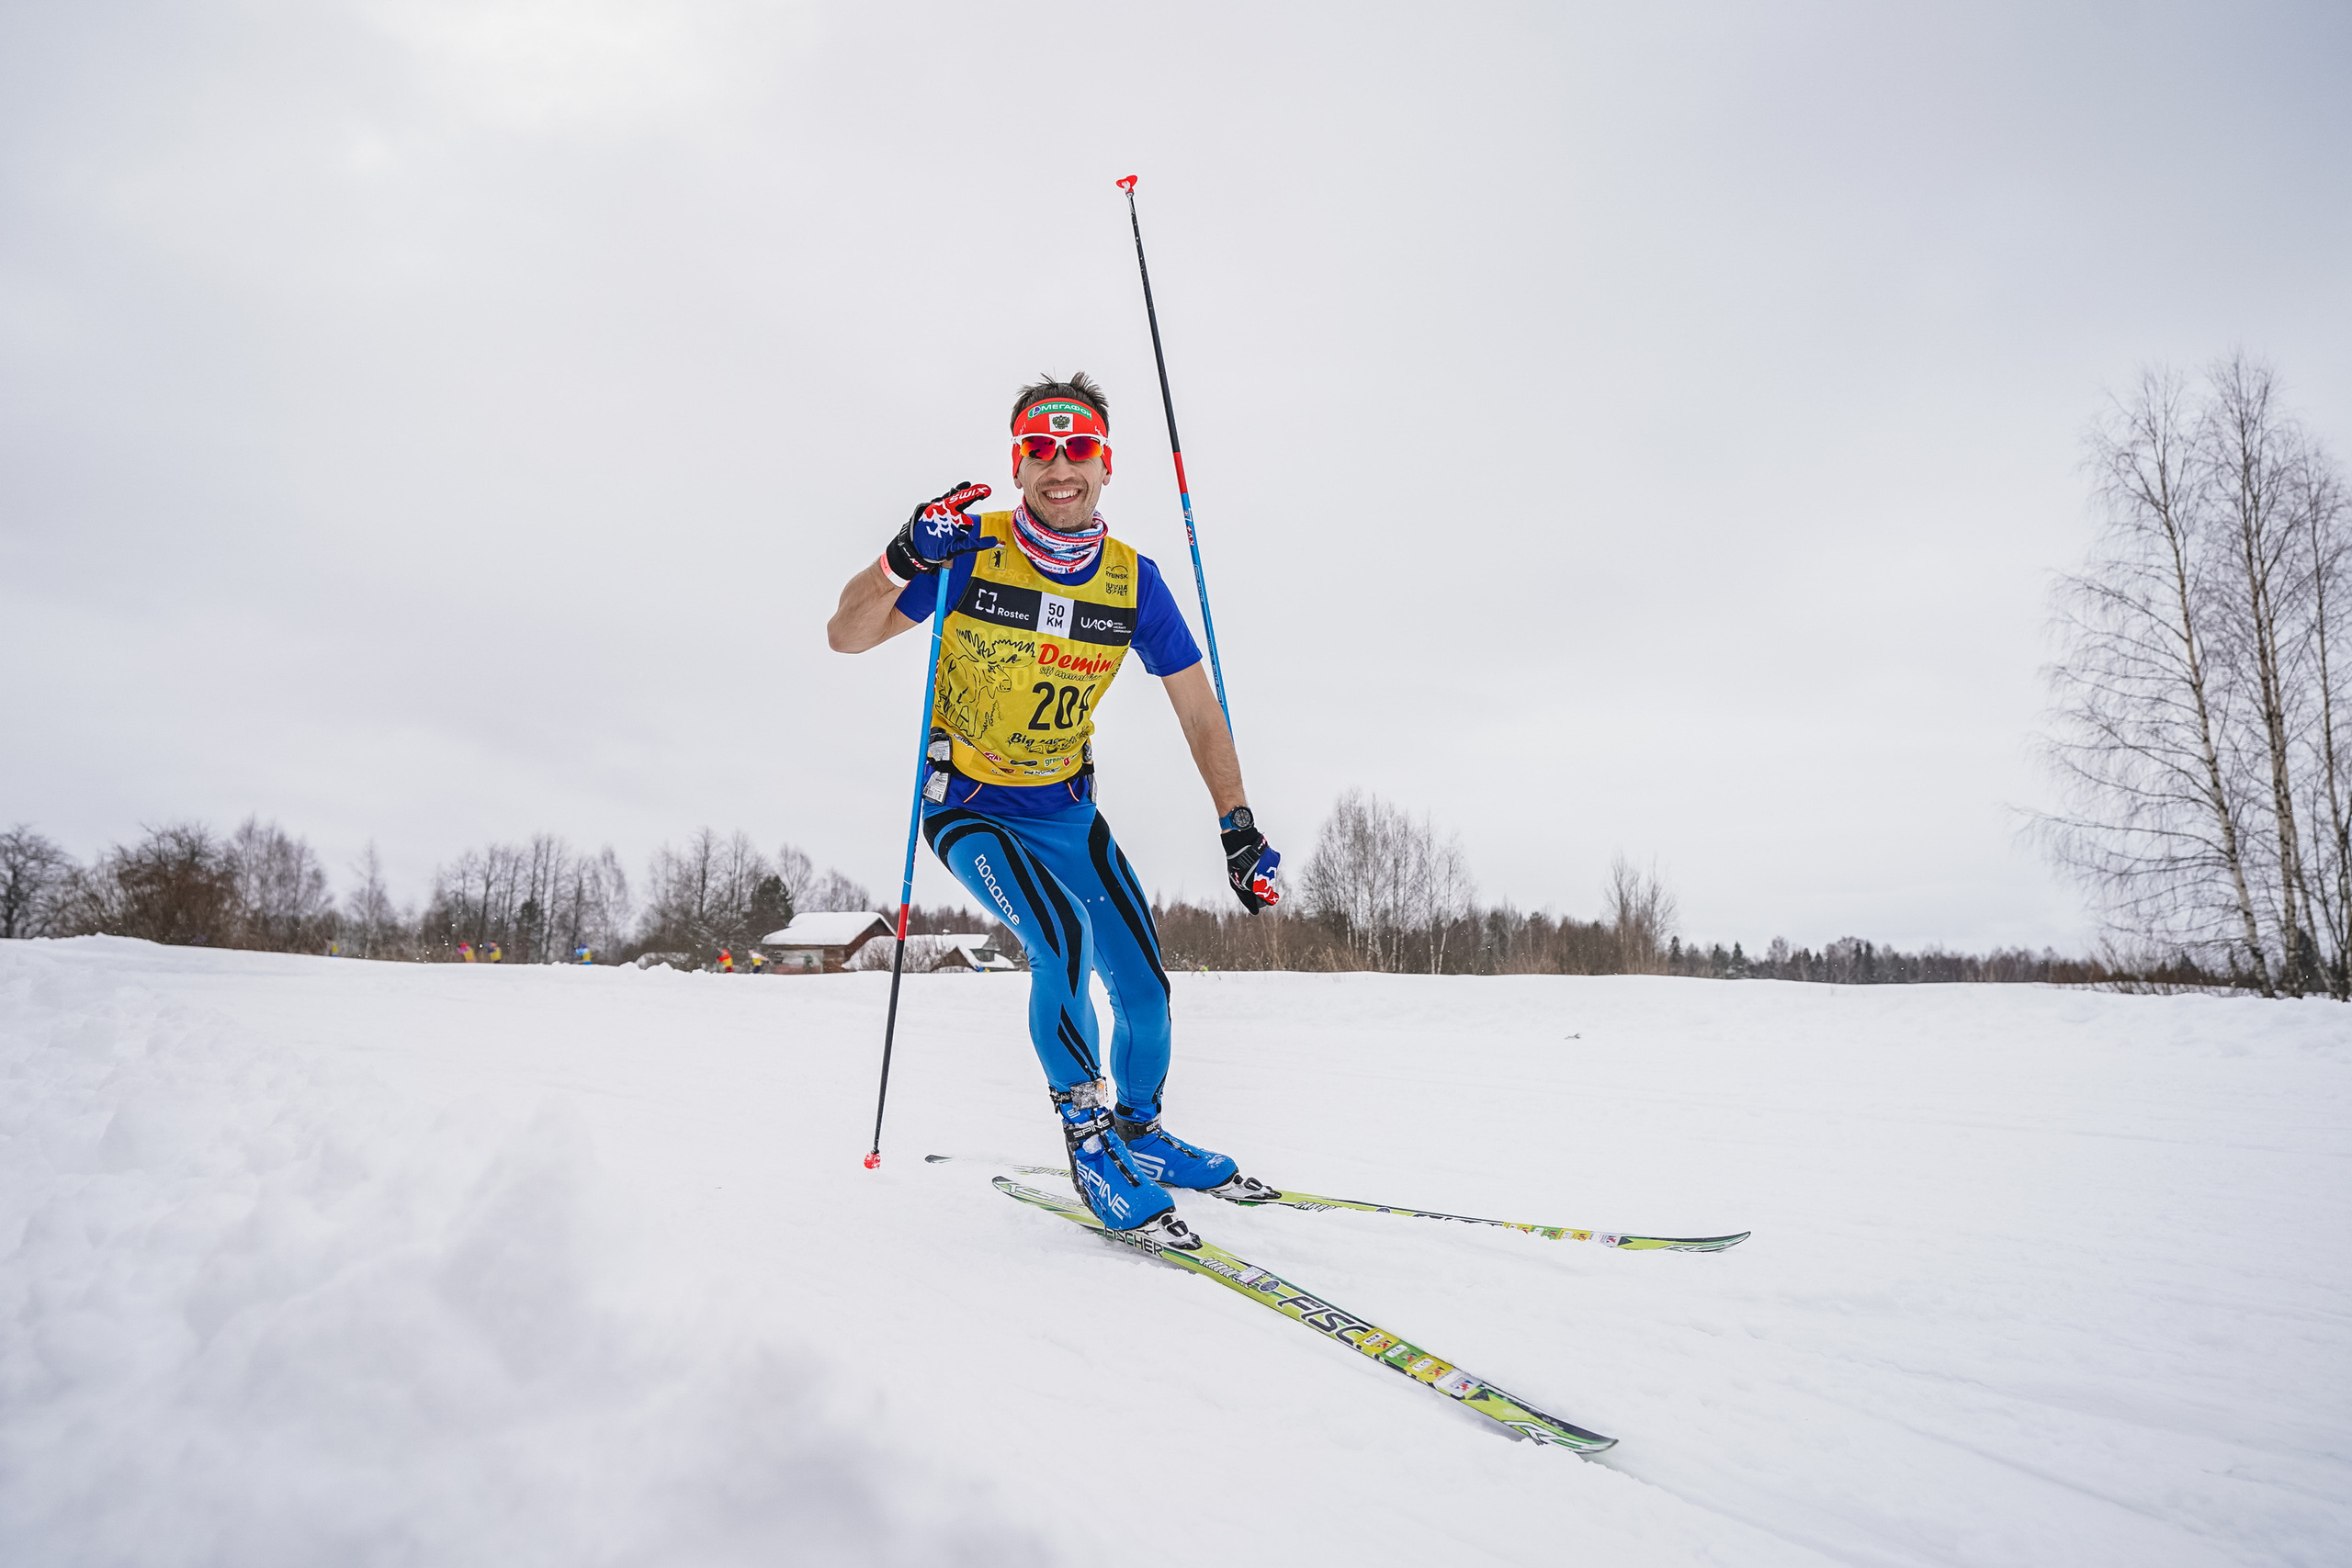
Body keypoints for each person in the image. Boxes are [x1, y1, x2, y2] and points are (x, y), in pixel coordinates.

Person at [828, 373, 1284, 1244]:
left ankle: (1139, 1133)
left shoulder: (1133, 583)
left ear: (1106, 464)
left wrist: (1238, 826)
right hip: (970, 806)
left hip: (1067, 809)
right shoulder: (968, 550)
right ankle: (1088, 1140)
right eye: (1040, 449)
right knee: (1062, 940)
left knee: (1143, 986)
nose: (1059, 467)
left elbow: (1198, 707)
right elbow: (845, 634)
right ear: (1018, 465)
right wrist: (901, 556)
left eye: (1079, 449)